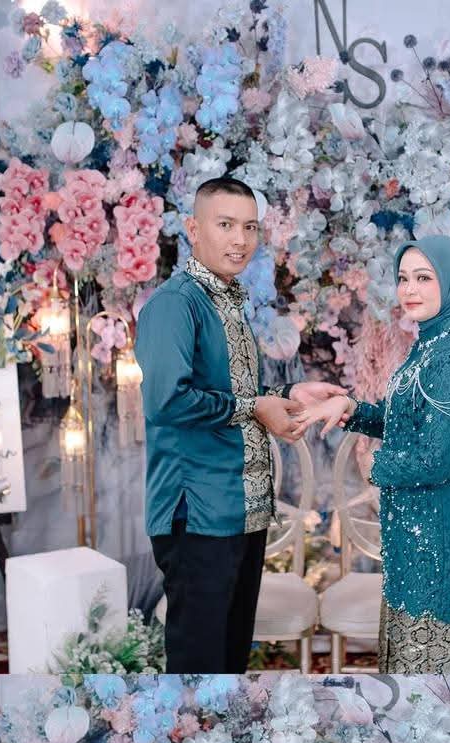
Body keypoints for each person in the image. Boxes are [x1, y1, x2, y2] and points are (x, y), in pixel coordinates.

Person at [297, 235, 450, 675]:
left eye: (424, 278)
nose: (409, 289)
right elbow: (406, 421)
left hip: (440, 540)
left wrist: (375, 466)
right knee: (409, 674)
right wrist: (350, 408)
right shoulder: (434, 341)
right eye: (404, 278)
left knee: (430, 683)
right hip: (415, 537)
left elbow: (434, 460)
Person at [136, 176, 342, 673]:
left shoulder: (225, 300)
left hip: (239, 511)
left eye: (250, 227)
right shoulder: (175, 304)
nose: (240, 239)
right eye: (225, 225)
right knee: (200, 669)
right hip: (196, 513)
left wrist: (286, 396)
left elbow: (230, 390)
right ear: (193, 229)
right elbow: (167, 401)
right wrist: (255, 408)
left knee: (228, 665)